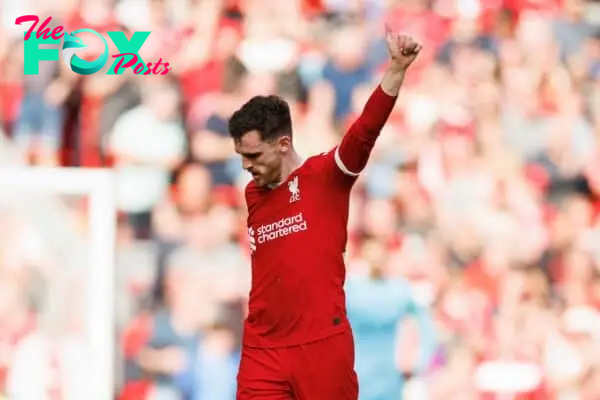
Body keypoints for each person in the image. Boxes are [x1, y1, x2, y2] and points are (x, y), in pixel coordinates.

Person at [228, 25, 422, 399]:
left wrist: (396, 70)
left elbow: (364, 131)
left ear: (283, 144)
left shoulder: (326, 177)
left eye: (253, 156)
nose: (246, 165)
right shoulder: (254, 193)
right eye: (241, 156)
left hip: (321, 344)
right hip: (263, 347)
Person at [345, 238, 437, 400]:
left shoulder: (398, 290)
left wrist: (419, 363)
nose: (376, 260)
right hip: (359, 375)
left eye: (379, 255)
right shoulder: (352, 290)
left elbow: (426, 327)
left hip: (389, 377)